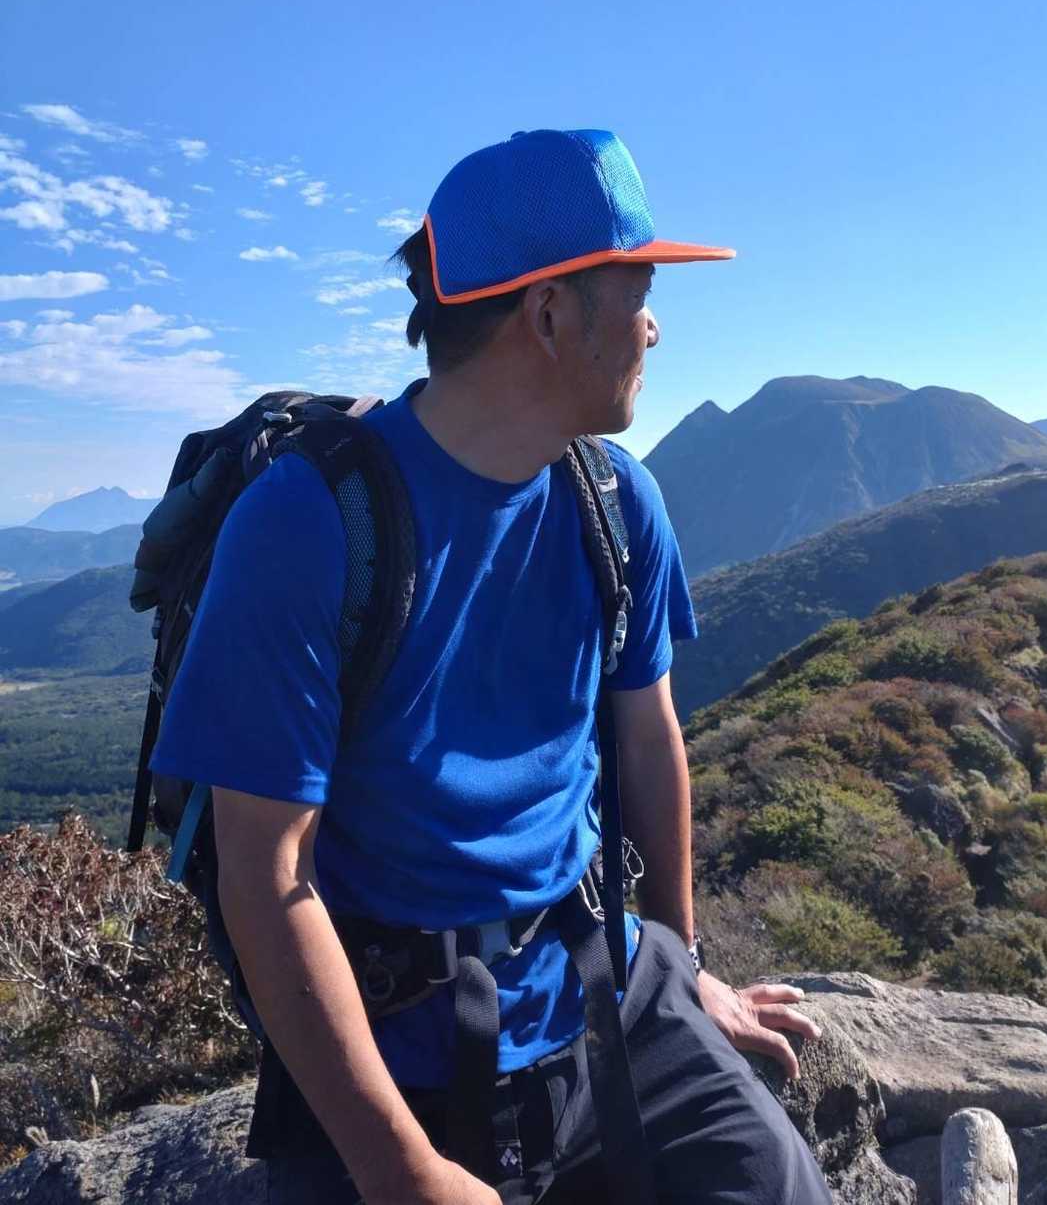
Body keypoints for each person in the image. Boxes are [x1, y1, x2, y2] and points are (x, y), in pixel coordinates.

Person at [150, 128, 833, 1204]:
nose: (654, 326)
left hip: (605, 989)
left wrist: (682, 964)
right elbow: (265, 873)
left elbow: (647, 738)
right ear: (550, 314)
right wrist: (400, 1168)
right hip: (396, 1049)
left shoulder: (615, 501)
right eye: (639, 292)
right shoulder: (307, 525)